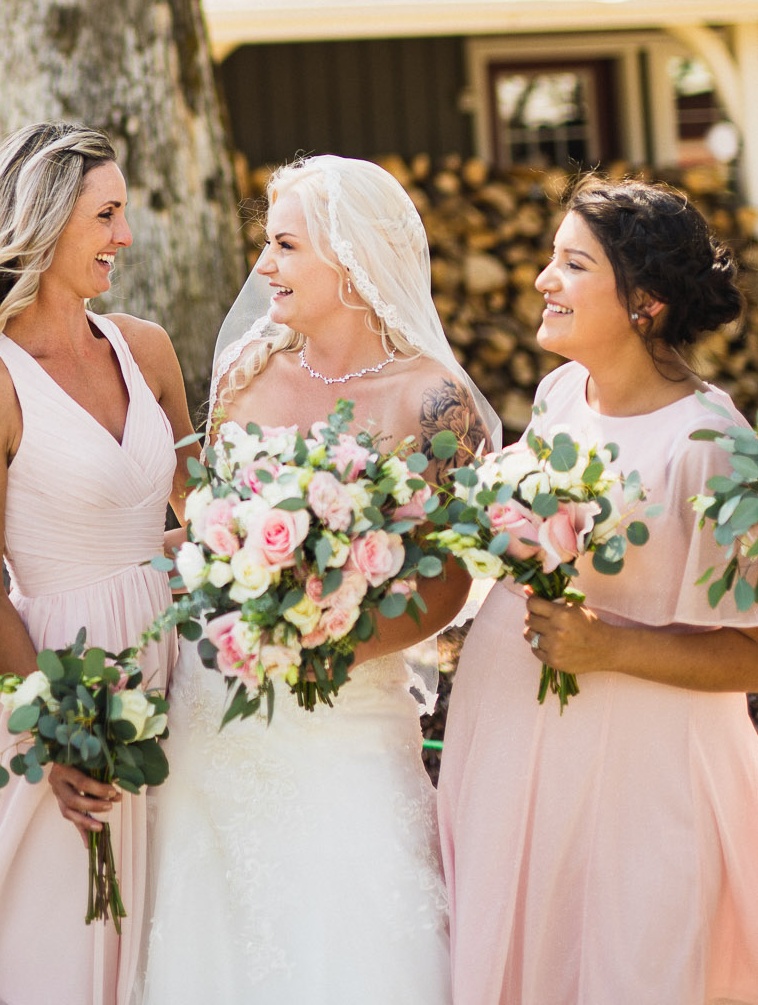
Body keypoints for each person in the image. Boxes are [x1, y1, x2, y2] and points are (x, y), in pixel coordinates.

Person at [137, 154, 491, 1005]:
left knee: (359, 925)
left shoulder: (432, 402)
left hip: (349, 705)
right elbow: (214, 524)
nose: (264, 265)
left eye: (286, 246)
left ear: (354, 258)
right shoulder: (245, 371)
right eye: (268, 244)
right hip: (218, 702)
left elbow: (447, 582)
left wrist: (328, 642)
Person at [439, 177, 758, 1005]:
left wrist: (610, 645)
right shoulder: (558, 395)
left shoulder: (709, 446)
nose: (541, 279)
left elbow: (755, 653)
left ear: (645, 303)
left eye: (572, 264)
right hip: (519, 747)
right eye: (550, 257)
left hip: (639, 777)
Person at [0, 123, 195, 1005]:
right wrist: (52, 735)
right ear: (41, 221)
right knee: (64, 930)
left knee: (176, 924)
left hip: (175, 659)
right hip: (60, 671)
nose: (125, 235)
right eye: (105, 215)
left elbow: (206, 514)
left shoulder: (145, 348)